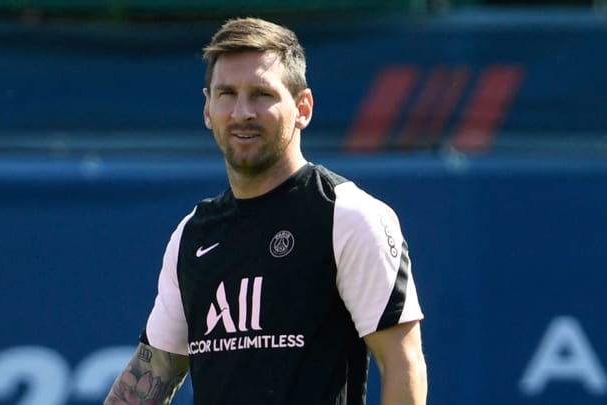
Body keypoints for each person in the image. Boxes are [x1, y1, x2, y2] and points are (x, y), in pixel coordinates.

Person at [105, 17, 427, 405]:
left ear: (303, 108)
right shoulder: (192, 234)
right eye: (227, 93)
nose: (242, 112)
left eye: (261, 94)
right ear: (207, 108)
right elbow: (152, 373)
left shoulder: (347, 216)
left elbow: (403, 364)